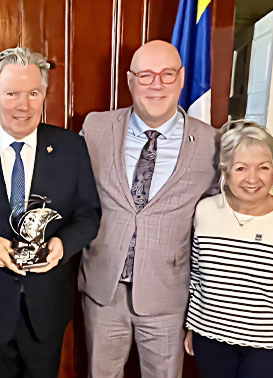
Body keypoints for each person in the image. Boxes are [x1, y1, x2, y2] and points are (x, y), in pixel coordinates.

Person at [0, 47, 101, 378]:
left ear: (44, 95)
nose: (23, 105)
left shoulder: (71, 147)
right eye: (12, 93)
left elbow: (89, 214)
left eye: (33, 93)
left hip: (47, 310)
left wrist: (63, 246)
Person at [79, 40, 219, 377]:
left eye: (167, 74)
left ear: (182, 78)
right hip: (103, 289)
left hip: (168, 296)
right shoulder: (95, 128)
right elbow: (70, 192)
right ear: (129, 80)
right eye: (145, 76)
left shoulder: (212, 143)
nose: (156, 85)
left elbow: (226, 215)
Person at [183, 120, 273, 378]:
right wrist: (193, 326)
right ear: (224, 170)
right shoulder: (205, 211)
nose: (252, 179)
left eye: (263, 167)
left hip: (272, 350)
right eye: (240, 168)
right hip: (211, 342)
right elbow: (197, 277)